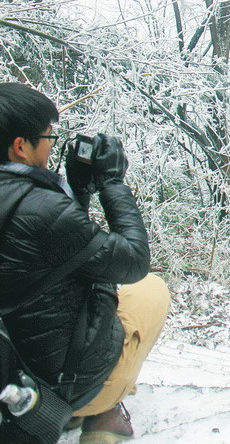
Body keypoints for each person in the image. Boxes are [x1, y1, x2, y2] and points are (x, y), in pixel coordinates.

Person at [0, 83, 170, 444]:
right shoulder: (40, 207)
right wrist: (112, 184)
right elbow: (134, 260)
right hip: (56, 386)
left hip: (12, 377)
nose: (51, 145)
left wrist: (76, 192)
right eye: (48, 136)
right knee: (149, 290)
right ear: (20, 147)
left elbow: (60, 251)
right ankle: (96, 407)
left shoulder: (24, 201)